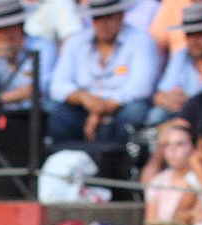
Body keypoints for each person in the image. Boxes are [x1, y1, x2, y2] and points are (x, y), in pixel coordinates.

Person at [47, 0, 160, 145]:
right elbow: (57, 85)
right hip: (84, 107)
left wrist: (105, 107)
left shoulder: (141, 41)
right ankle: (66, 158)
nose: (103, 24)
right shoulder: (77, 42)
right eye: (97, 18)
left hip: (120, 107)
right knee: (54, 110)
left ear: (120, 15)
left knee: (135, 112)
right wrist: (84, 98)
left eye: (108, 17)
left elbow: (141, 87)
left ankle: (118, 162)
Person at [0, 0, 58, 118]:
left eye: (2, 28)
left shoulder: (42, 46)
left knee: (53, 108)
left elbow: (40, 88)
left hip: (35, 111)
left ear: (18, 27)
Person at [151, 4, 202, 122]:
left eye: (200, 34)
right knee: (158, 114)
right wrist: (169, 100)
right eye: (189, 34)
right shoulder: (182, 55)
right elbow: (160, 95)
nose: (194, 40)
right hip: (181, 115)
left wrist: (190, 101)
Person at [146, 119, 196, 225]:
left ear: (193, 148)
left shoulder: (201, 180)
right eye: (167, 145)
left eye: (180, 144)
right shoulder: (157, 181)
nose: (172, 150)